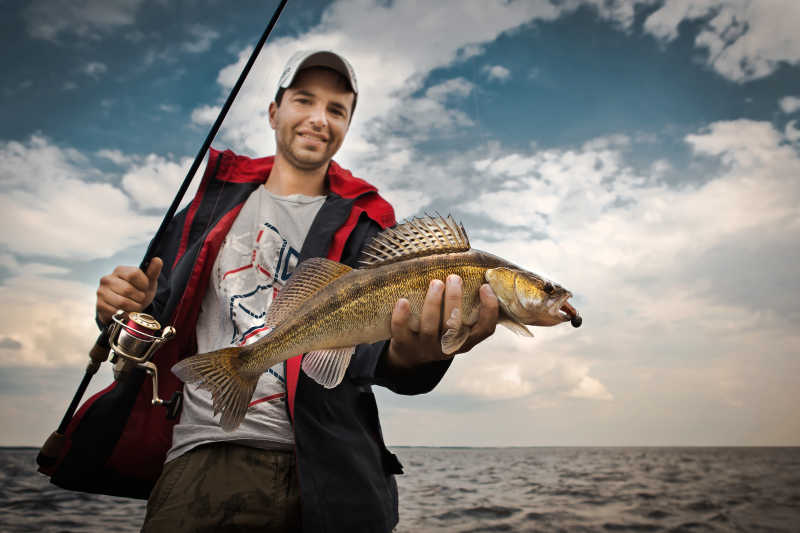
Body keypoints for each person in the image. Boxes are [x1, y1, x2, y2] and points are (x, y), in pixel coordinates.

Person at [91, 50, 499, 532]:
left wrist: (422, 356)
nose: (318, 119)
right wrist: (119, 309)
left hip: (335, 472)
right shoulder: (202, 211)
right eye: (304, 100)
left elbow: (378, 355)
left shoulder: (370, 224)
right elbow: (156, 321)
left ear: (346, 126)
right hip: (204, 458)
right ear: (273, 112)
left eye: (336, 109)